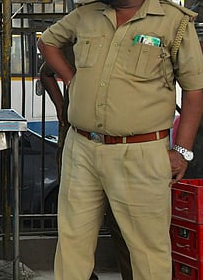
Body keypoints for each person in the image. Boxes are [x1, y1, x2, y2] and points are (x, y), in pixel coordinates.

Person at [37, 0, 203, 280]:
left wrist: (182, 151)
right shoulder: (86, 14)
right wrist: (72, 79)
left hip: (141, 152)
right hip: (82, 147)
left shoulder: (172, 22)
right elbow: (48, 42)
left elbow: (194, 90)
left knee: (147, 250)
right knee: (71, 243)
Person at [38, 53, 132, 280]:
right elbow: (46, 71)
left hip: (111, 142)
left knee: (115, 224)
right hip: (81, 139)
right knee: (79, 225)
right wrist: (63, 108)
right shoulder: (79, 41)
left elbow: (46, 72)